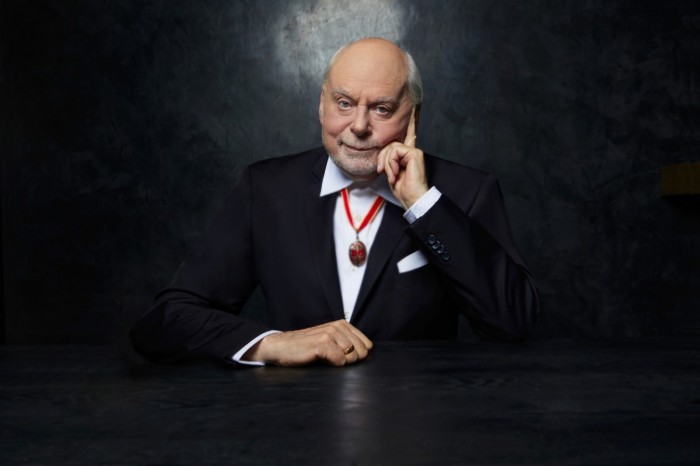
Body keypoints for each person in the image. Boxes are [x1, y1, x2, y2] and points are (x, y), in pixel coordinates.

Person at [130, 37, 539, 367]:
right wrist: (272, 344)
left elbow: (514, 322)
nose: (358, 126)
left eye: (381, 109)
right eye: (344, 103)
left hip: (416, 424)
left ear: (413, 116)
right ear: (321, 103)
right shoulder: (265, 189)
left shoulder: (466, 191)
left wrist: (423, 204)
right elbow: (165, 321)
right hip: (294, 423)